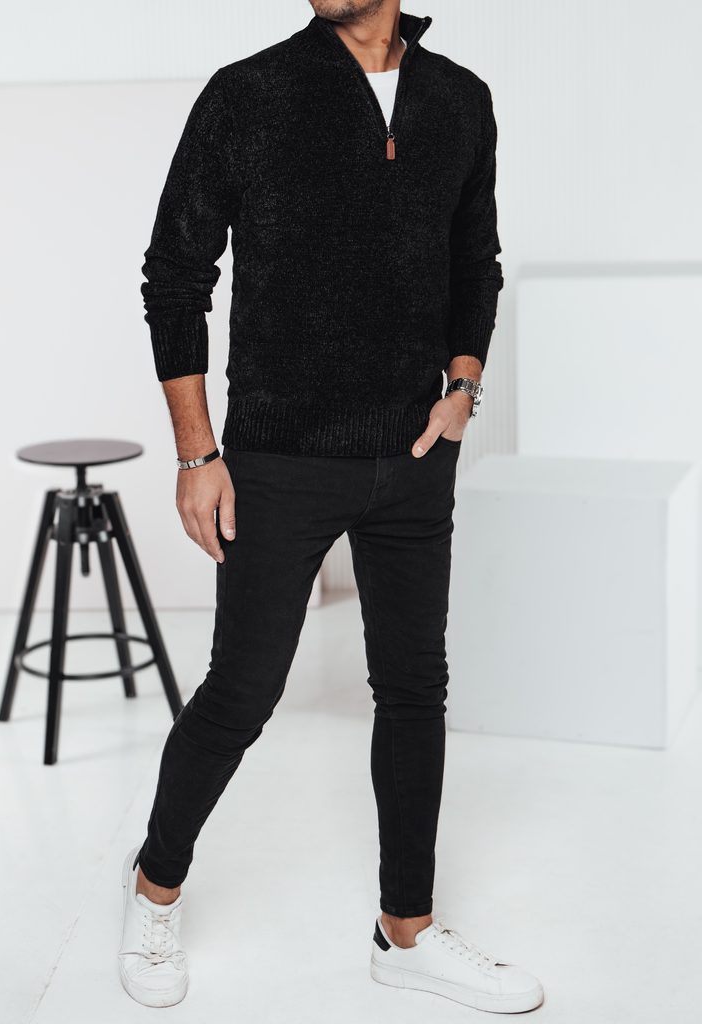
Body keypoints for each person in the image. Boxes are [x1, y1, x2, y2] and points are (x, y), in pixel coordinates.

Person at [117, 0, 544, 1012]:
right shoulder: (250, 93)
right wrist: (197, 453)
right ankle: (153, 888)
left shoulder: (459, 99)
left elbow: (474, 259)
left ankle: (406, 932)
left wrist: (464, 385)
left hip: (414, 454)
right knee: (242, 692)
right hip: (278, 457)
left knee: (415, 687)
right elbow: (175, 274)